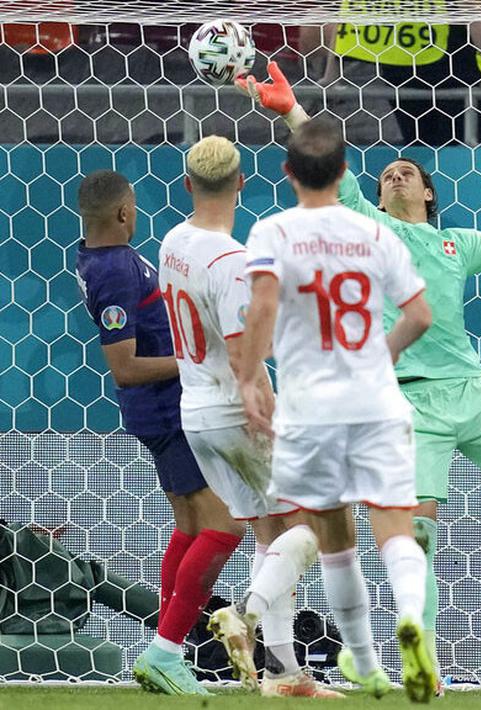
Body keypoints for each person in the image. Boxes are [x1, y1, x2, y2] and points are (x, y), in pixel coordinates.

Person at [237, 63, 481, 664]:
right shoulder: (370, 228)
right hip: (410, 402)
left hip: (472, 392)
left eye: (407, 173)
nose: (394, 175)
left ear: (427, 193)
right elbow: (325, 165)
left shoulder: (460, 243)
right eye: (387, 173)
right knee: (417, 537)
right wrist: (291, 111)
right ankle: (429, 661)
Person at [234, 116, 437, 702]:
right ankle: (411, 626)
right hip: (375, 399)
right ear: (346, 171)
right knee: (396, 527)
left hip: (310, 407)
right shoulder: (377, 236)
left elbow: (263, 309)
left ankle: (369, 662)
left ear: (288, 172)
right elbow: (419, 316)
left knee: (333, 540)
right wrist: (379, 353)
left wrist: (249, 378)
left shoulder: (272, 232)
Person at [156, 135, 338, 698]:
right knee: (315, 525)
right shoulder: (231, 261)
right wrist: (272, 410)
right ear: (242, 182)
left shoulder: (173, 242)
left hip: (196, 410)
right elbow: (243, 354)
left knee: (270, 530)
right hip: (238, 409)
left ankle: (284, 674)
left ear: (187, 185)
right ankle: (244, 613)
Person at [73, 170, 243, 696]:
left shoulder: (99, 258)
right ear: (124, 214)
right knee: (228, 525)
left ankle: (168, 652)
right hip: (165, 409)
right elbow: (124, 366)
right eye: (135, 207)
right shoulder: (116, 270)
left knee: (191, 526)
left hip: (161, 408)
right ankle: (167, 649)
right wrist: (195, 359)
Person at [300, 20, 481, 145]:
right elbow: (471, 9)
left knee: (419, 153)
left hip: (400, 68)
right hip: (453, 71)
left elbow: (348, 13)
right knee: (453, 159)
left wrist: (332, 72)